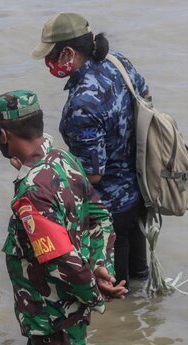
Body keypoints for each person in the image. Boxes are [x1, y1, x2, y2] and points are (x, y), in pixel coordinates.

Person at [0, 90, 127, 345]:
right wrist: (100, 266)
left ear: (3, 135)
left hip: (52, 319)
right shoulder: (63, 159)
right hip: (65, 314)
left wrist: (95, 296)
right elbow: (100, 218)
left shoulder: (32, 192)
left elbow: (61, 259)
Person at [30, 12, 150, 288]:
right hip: (139, 190)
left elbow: (93, 175)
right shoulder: (117, 62)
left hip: (109, 209)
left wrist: (44, 165)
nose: (48, 62)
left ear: (68, 53)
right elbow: (145, 100)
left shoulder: (82, 104)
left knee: (115, 293)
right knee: (140, 279)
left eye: (51, 55)